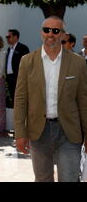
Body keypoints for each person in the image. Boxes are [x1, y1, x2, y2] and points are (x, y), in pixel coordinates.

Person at [14, 16, 87, 182]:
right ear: (41, 33)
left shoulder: (78, 63)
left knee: (69, 178)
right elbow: (20, 100)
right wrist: (20, 133)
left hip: (68, 131)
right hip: (38, 131)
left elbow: (83, 101)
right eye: (47, 30)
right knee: (43, 178)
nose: (50, 34)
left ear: (63, 35)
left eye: (55, 31)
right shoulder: (27, 62)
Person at [5, 29, 30, 107]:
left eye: (9, 36)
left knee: (21, 99)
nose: (7, 39)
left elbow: (27, 64)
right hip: (10, 78)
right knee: (13, 98)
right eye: (7, 37)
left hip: (19, 78)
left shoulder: (23, 48)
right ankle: (16, 117)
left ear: (15, 37)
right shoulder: (9, 49)